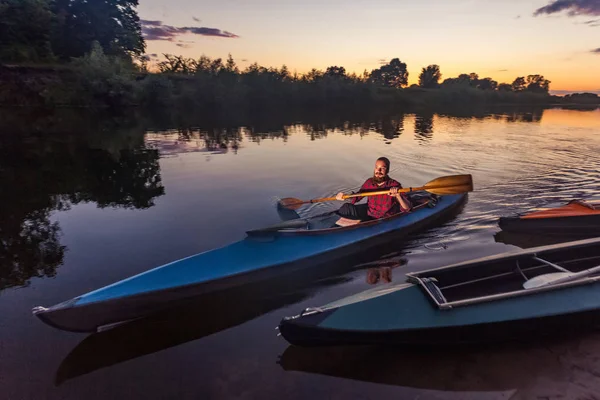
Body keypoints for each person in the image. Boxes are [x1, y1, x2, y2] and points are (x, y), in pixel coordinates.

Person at [335, 157, 412, 221]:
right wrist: (344, 197)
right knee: (346, 207)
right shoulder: (369, 182)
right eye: (376, 167)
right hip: (370, 215)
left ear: (387, 170)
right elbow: (356, 197)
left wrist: (398, 196)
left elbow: (407, 209)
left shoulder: (394, 185)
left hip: (385, 219)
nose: (378, 171)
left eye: (382, 168)